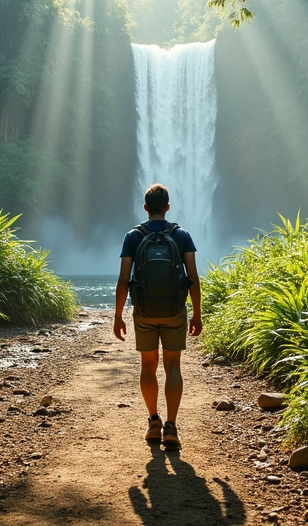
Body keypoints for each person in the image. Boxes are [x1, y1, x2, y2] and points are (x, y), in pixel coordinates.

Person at [114, 184, 202, 450]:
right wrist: (197, 313)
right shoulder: (182, 235)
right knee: (173, 366)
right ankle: (171, 427)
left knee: (148, 365)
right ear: (167, 207)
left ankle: (153, 421)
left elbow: (124, 279)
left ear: (145, 207)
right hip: (175, 310)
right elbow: (193, 277)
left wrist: (118, 315)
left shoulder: (132, 237)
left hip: (144, 312)